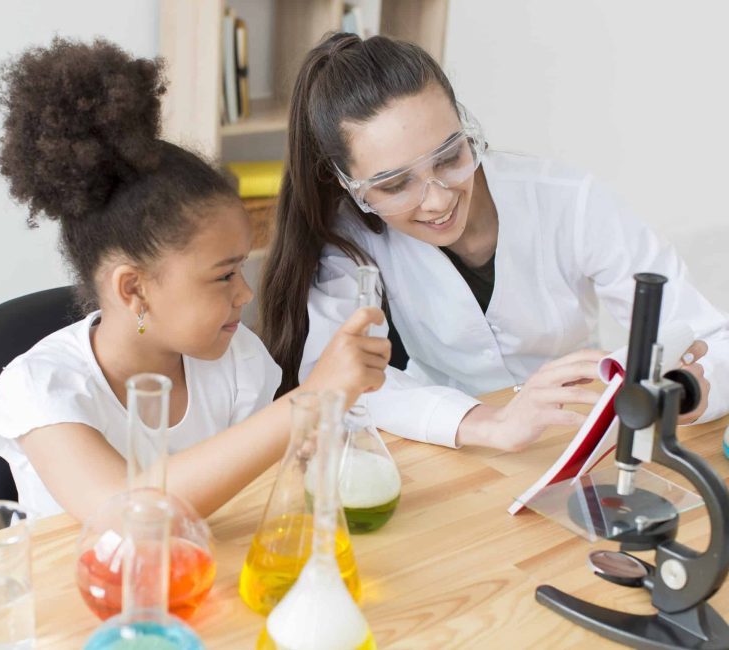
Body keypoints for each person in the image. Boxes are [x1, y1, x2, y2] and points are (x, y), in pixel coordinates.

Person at [0, 37, 390, 520]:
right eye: (224, 276)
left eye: (241, 268)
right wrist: (312, 397)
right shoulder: (41, 387)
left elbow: (255, 503)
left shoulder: (237, 363)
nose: (246, 292)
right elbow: (129, 516)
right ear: (134, 289)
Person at [260, 32, 729, 452]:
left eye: (448, 157)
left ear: (467, 128)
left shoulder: (568, 201)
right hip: (447, 445)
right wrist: (486, 423)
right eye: (395, 184)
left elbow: (710, 336)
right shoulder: (349, 236)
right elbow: (333, 377)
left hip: (581, 428)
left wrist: (687, 391)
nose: (437, 200)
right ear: (348, 185)